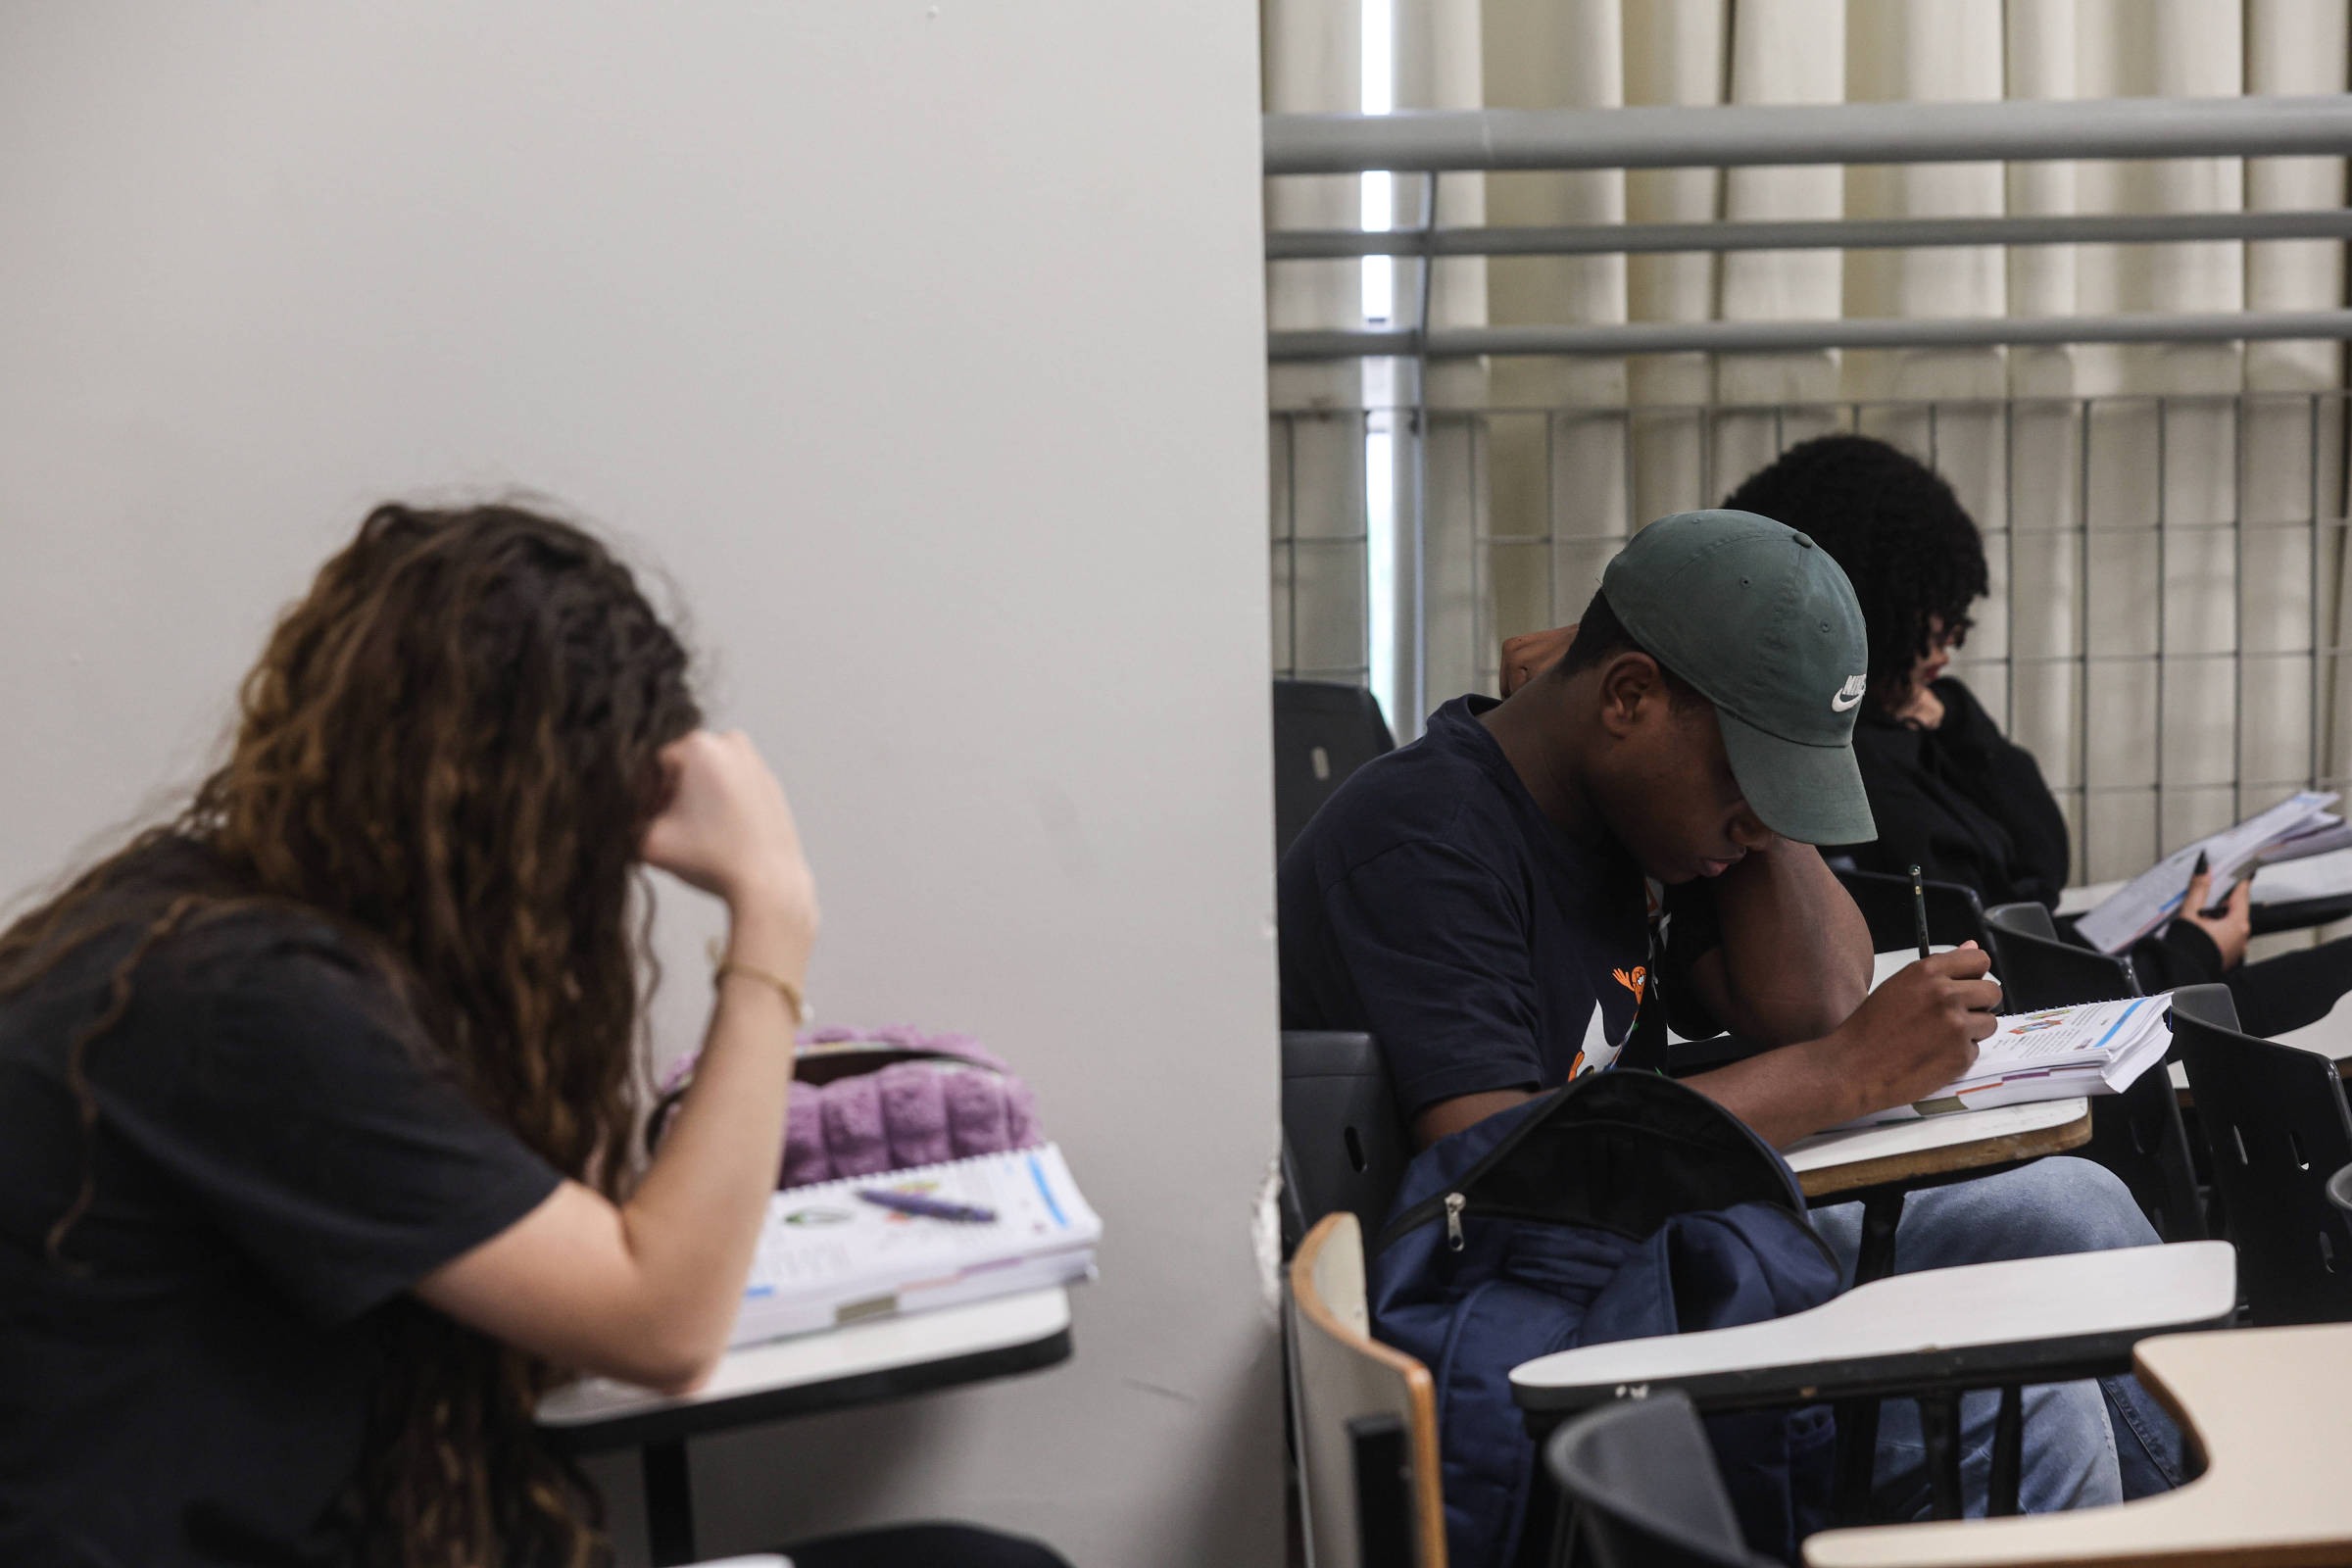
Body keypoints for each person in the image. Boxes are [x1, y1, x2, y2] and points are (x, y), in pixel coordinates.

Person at [0, 505, 1066, 1568]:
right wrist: (772, 910)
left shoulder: (195, 926)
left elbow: (563, 1254)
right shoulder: (243, 1005)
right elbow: (663, 1329)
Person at [1282, 508, 2182, 1522]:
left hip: (1660, 1253)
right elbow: (1497, 1169)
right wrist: (1843, 1074)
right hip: (1547, 1324)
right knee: (2032, 1409)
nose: (1760, 821)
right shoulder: (1424, 841)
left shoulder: (1618, 801)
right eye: (1748, 781)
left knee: (2078, 1211)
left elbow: (1817, 1001)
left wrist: (1764, 790)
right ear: (1628, 695)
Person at [1712, 432, 2352, 1039]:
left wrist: (1952, 722)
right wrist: (2188, 956)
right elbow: (1995, 961)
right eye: (1931, 612)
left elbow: (2041, 860)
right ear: (1865, 607)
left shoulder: (1924, 719)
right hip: (2066, 1031)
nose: (1952, 636)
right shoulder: (1851, 769)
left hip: (2086, 997)